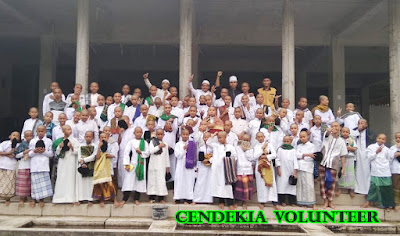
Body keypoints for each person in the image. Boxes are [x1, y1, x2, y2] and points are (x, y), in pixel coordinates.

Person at [361, 134, 395, 212]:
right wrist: (376, 152)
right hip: (375, 171)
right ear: (376, 138)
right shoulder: (371, 147)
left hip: (385, 171)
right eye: (379, 138)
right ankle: (368, 202)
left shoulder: (387, 149)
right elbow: (369, 158)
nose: (381, 140)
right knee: (373, 187)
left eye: (383, 139)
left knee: (386, 188)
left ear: (385, 141)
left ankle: (387, 205)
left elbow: (390, 159)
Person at [319, 122, 348, 209]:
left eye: (336, 126)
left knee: (331, 183)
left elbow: (343, 155)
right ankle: (325, 201)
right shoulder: (327, 136)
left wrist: (343, 167)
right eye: (332, 126)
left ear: (340, 128)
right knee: (322, 183)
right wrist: (328, 131)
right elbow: (326, 134)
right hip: (323, 162)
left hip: (333, 164)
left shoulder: (342, 141)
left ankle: (330, 201)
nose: (334, 128)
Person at [206, 131, 237, 210]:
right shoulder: (216, 146)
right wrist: (213, 135)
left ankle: (230, 203)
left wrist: (228, 159)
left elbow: (235, 157)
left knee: (228, 187)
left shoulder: (230, 147)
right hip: (218, 170)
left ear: (225, 137)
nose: (219, 139)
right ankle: (221, 202)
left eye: (220, 137)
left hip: (226, 170)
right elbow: (208, 142)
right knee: (219, 186)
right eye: (218, 138)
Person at [121, 127, 150, 206]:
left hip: (141, 164)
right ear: (134, 133)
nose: (139, 134)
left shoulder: (144, 143)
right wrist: (126, 164)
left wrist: (141, 152)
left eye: (140, 132)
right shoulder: (131, 142)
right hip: (133, 164)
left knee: (139, 182)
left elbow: (147, 153)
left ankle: (136, 199)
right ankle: (124, 199)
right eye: (137, 132)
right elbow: (126, 153)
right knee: (129, 181)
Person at [53, 125, 80, 204]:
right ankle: (59, 198)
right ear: (63, 131)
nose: (69, 131)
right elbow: (57, 153)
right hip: (62, 162)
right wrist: (59, 147)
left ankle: (71, 198)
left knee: (70, 179)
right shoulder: (60, 141)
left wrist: (71, 147)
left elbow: (77, 152)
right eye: (67, 129)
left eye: (70, 129)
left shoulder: (74, 140)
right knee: (61, 178)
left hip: (71, 162)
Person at [252, 132, 279, 210]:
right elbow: (255, 156)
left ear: (264, 137)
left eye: (261, 136)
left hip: (268, 166)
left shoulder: (269, 145)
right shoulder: (256, 146)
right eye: (258, 137)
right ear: (256, 138)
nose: (260, 138)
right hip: (259, 167)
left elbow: (274, 155)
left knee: (271, 184)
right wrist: (262, 149)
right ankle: (262, 202)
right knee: (261, 185)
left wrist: (266, 156)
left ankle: (275, 203)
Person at [28, 125, 53, 207]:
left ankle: (42, 199)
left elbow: (51, 154)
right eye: (39, 131)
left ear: (45, 131)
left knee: (43, 184)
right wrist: (34, 151)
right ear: (36, 132)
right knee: (34, 183)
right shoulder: (32, 141)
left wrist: (44, 151)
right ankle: (34, 199)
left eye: (42, 131)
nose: (41, 133)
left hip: (44, 165)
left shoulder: (49, 141)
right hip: (34, 165)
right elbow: (29, 154)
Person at [92, 133, 119, 207]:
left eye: (105, 137)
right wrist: (99, 148)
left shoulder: (111, 145)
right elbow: (97, 157)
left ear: (107, 138)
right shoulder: (96, 146)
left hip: (108, 167)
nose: (103, 138)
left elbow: (113, 155)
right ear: (99, 138)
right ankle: (101, 200)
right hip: (99, 167)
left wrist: (103, 155)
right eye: (102, 137)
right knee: (100, 184)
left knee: (110, 184)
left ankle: (114, 199)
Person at [351, 119, 376, 195]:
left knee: (366, 172)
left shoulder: (370, 132)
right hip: (357, 153)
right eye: (359, 123)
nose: (361, 124)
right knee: (358, 171)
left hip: (366, 154)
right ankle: (358, 189)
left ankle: (367, 190)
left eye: (363, 123)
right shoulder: (354, 131)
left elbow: (373, 141)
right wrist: (358, 130)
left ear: (366, 124)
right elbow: (351, 137)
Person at [147, 129, 170, 204]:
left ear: (163, 135)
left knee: (161, 181)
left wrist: (167, 167)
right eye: (158, 134)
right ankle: (152, 198)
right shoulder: (152, 142)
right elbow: (150, 151)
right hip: (153, 164)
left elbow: (166, 156)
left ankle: (161, 198)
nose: (160, 136)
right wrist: (159, 146)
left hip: (162, 165)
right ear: (156, 135)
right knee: (153, 180)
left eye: (161, 134)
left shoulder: (165, 144)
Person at [174, 129, 196, 204]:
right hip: (180, 165)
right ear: (181, 135)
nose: (185, 136)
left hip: (189, 166)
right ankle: (178, 198)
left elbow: (194, 156)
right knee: (179, 180)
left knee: (189, 181)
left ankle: (188, 198)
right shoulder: (178, 144)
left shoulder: (192, 144)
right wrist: (184, 149)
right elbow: (177, 155)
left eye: (187, 134)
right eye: (184, 134)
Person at [296, 131, 317, 210]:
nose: (302, 138)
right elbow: (296, 155)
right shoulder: (299, 146)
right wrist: (306, 155)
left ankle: (312, 203)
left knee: (309, 185)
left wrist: (303, 156)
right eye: (301, 137)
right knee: (301, 185)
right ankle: (302, 202)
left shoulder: (312, 146)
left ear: (307, 136)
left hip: (308, 167)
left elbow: (311, 157)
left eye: (304, 137)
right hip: (300, 167)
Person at [276, 136, 298, 206]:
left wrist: (295, 171)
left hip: (290, 170)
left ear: (291, 142)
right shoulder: (280, 149)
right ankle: (282, 201)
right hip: (282, 169)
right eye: (284, 141)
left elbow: (295, 161)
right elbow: (277, 159)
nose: (286, 143)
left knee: (291, 186)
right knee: (282, 185)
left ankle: (292, 201)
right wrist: (278, 169)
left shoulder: (293, 150)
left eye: (287, 141)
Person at [76, 131, 97, 205]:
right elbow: (79, 155)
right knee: (81, 183)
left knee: (89, 183)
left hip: (90, 165)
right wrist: (81, 162)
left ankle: (90, 199)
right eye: (87, 136)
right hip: (82, 166)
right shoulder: (81, 146)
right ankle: (81, 198)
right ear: (84, 137)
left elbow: (94, 156)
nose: (88, 138)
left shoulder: (95, 146)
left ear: (92, 137)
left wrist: (84, 160)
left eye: (90, 136)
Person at [0, 131, 20, 205]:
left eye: (17, 136)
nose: (15, 137)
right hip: (2, 165)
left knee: (9, 183)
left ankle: (7, 199)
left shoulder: (18, 145)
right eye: (13, 135)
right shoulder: (4, 143)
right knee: (1, 182)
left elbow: (16, 155)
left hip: (11, 166)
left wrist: (6, 154)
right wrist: (8, 153)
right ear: (10, 136)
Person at [234, 134, 254, 209]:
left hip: (248, 170)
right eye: (244, 140)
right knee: (238, 186)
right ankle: (236, 201)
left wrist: (246, 150)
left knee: (247, 188)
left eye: (247, 140)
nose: (245, 142)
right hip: (239, 170)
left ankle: (244, 202)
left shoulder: (251, 149)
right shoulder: (237, 148)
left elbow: (251, 158)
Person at [337, 127, 357, 197]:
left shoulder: (352, 140)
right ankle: (340, 188)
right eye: (343, 132)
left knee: (350, 174)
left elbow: (355, 148)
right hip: (341, 158)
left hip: (350, 158)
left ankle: (350, 189)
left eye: (346, 132)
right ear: (340, 132)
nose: (345, 133)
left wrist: (349, 148)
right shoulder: (339, 139)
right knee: (342, 173)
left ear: (349, 133)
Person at [14, 130, 33, 206]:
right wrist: (24, 153)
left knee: (29, 183)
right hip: (23, 165)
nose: (29, 138)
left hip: (32, 165)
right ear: (24, 137)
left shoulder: (33, 144)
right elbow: (16, 155)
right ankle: (21, 198)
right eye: (27, 136)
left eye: (31, 136)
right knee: (22, 183)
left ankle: (28, 197)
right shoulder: (22, 145)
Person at [193, 132, 213, 204]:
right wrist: (201, 162)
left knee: (209, 183)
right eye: (205, 137)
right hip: (202, 166)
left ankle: (208, 200)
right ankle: (197, 199)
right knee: (200, 182)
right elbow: (199, 158)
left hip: (210, 167)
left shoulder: (212, 147)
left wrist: (209, 160)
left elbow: (214, 156)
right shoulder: (201, 147)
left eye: (208, 137)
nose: (206, 139)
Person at [390, 132, 400, 211]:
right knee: (396, 187)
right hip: (396, 170)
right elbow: (391, 157)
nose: (398, 139)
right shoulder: (392, 148)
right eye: (396, 138)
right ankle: (396, 204)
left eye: (399, 137)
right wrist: (397, 150)